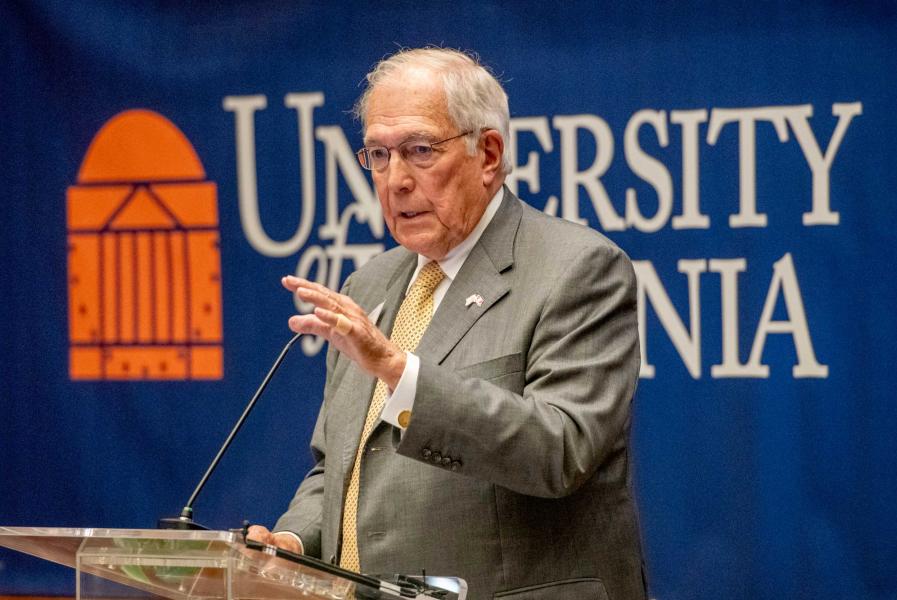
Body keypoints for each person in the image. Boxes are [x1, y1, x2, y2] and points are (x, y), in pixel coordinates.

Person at [249, 47, 647, 599]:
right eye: (379, 156)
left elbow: (561, 449)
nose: (396, 180)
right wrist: (294, 541)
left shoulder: (577, 270)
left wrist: (395, 369)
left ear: (488, 154)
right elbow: (342, 469)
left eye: (418, 150)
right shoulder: (368, 286)